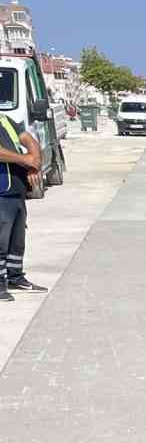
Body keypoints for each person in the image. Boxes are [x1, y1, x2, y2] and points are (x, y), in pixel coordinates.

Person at [0, 111, 46, 302]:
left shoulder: (4, 118)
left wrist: (34, 163)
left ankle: (15, 277)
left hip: (17, 190)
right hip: (1, 190)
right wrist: (24, 160)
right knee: (0, 241)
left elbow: (30, 140)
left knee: (16, 241)